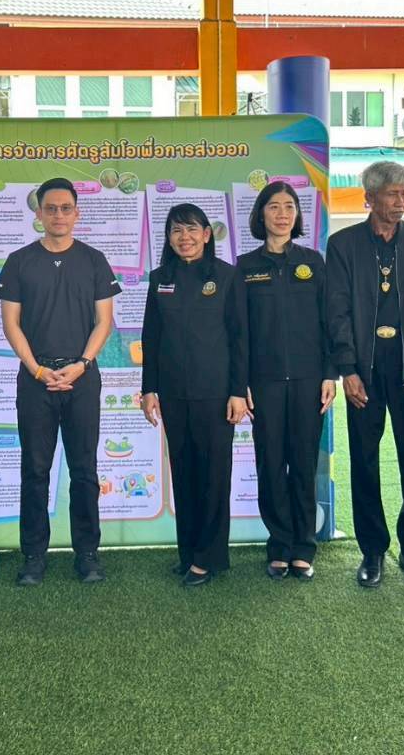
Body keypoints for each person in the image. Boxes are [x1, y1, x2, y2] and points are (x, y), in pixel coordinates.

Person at [0, 177, 120, 586]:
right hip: (36, 379)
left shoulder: (94, 260)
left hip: (82, 377)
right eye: (51, 208)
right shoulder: (19, 261)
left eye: (66, 208)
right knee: (35, 469)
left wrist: (82, 363)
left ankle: (87, 554)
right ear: (39, 213)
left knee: (84, 469)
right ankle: (33, 556)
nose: (59, 215)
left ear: (76, 213)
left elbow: (104, 321)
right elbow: (10, 324)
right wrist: (36, 368)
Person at [326, 161, 404, 589]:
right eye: (393, 193)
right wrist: (348, 370)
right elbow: (336, 311)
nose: (401, 201)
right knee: (364, 460)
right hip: (365, 370)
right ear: (369, 197)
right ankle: (372, 550)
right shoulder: (343, 244)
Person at [141, 203, 249, 587]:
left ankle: (208, 557)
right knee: (184, 474)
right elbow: (151, 337)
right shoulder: (160, 278)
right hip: (173, 394)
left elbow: (240, 339)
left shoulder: (226, 276)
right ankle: (188, 553)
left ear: (206, 234)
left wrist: (238, 391)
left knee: (213, 476)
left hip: (216, 394)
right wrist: (148, 389)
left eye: (191, 230)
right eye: (176, 231)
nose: (184, 237)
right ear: (168, 238)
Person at [238, 182, 336, 581]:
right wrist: (241, 381)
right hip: (264, 384)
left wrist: (330, 373)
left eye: (289, 207)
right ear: (261, 215)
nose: (282, 214)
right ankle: (279, 545)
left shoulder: (313, 262)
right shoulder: (245, 267)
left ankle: (303, 547)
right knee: (271, 464)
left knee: (304, 463)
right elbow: (239, 331)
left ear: (297, 215)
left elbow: (329, 322)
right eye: (274, 207)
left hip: (310, 381)